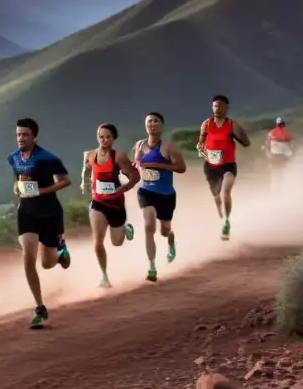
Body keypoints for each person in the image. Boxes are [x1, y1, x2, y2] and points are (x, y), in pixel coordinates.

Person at [8, 117, 71, 330]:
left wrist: (43, 191)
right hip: (26, 213)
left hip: (49, 213)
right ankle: (39, 307)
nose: (20, 138)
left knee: (47, 263)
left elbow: (65, 180)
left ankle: (60, 249)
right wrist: (17, 189)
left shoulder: (48, 158)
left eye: (25, 134)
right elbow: (17, 180)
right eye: (18, 134)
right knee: (28, 257)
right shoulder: (13, 157)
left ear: (34, 136)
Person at [79, 123, 138, 288]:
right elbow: (86, 169)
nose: (104, 140)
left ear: (113, 138)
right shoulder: (90, 155)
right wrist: (84, 183)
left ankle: (125, 230)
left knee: (117, 242)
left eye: (108, 137)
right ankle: (104, 277)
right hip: (98, 203)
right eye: (101, 137)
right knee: (98, 242)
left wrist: (121, 189)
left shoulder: (118, 156)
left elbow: (135, 177)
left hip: (116, 204)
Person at [133, 113, 186, 282]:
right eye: (149, 121)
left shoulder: (168, 147)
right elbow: (136, 164)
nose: (152, 124)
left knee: (164, 231)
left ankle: (170, 239)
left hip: (166, 194)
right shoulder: (139, 145)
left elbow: (181, 168)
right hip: (146, 191)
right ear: (145, 125)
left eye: (156, 121)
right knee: (149, 226)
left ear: (162, 126)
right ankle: (152, 266)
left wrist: (157, 165)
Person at [196, 95, 250, 241]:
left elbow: (246, 142)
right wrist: (200, 149)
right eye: (215, 106)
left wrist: (239, 133)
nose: (217, 108)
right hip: (210, 166)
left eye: (220, 106)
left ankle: (226, 220)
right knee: (217, 198)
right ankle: (222, 223)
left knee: (226, 192)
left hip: (228, 165)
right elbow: (200, 143)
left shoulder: (232, 125)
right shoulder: (206, 124)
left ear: (226, 108)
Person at [262, 117, 294, 192]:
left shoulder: (270, 134)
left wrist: (268, 155)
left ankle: (274, 189)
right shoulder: (287, 134)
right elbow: (291, 146)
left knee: (274, 173)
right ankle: (282, 187)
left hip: (275, 156)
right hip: (285, 156)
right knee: (282, 172)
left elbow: (267, 146)